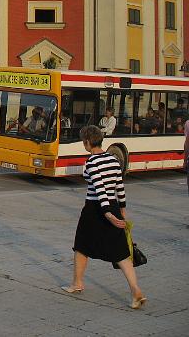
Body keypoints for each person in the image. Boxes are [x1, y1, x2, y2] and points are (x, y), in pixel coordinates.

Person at [62, 125, 146, 309]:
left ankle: (77, 283)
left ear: (87, 142)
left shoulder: (92, 161)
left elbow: (100, 189)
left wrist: (107, 214)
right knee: (122, 252)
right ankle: (135, 289)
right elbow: (119, 187)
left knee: (81, 245)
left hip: (95, 210)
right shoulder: (113, 160)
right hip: (114, 207)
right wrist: (121, 210)